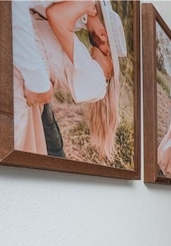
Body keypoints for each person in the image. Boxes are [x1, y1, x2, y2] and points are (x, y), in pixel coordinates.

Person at [12, 0, 127, 161]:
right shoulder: (87, 61)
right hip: (26, 67)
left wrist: (85, 6)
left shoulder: (98, 83)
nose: (100, 49)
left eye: (108, 53)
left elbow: (56, 16)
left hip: (26, 79)